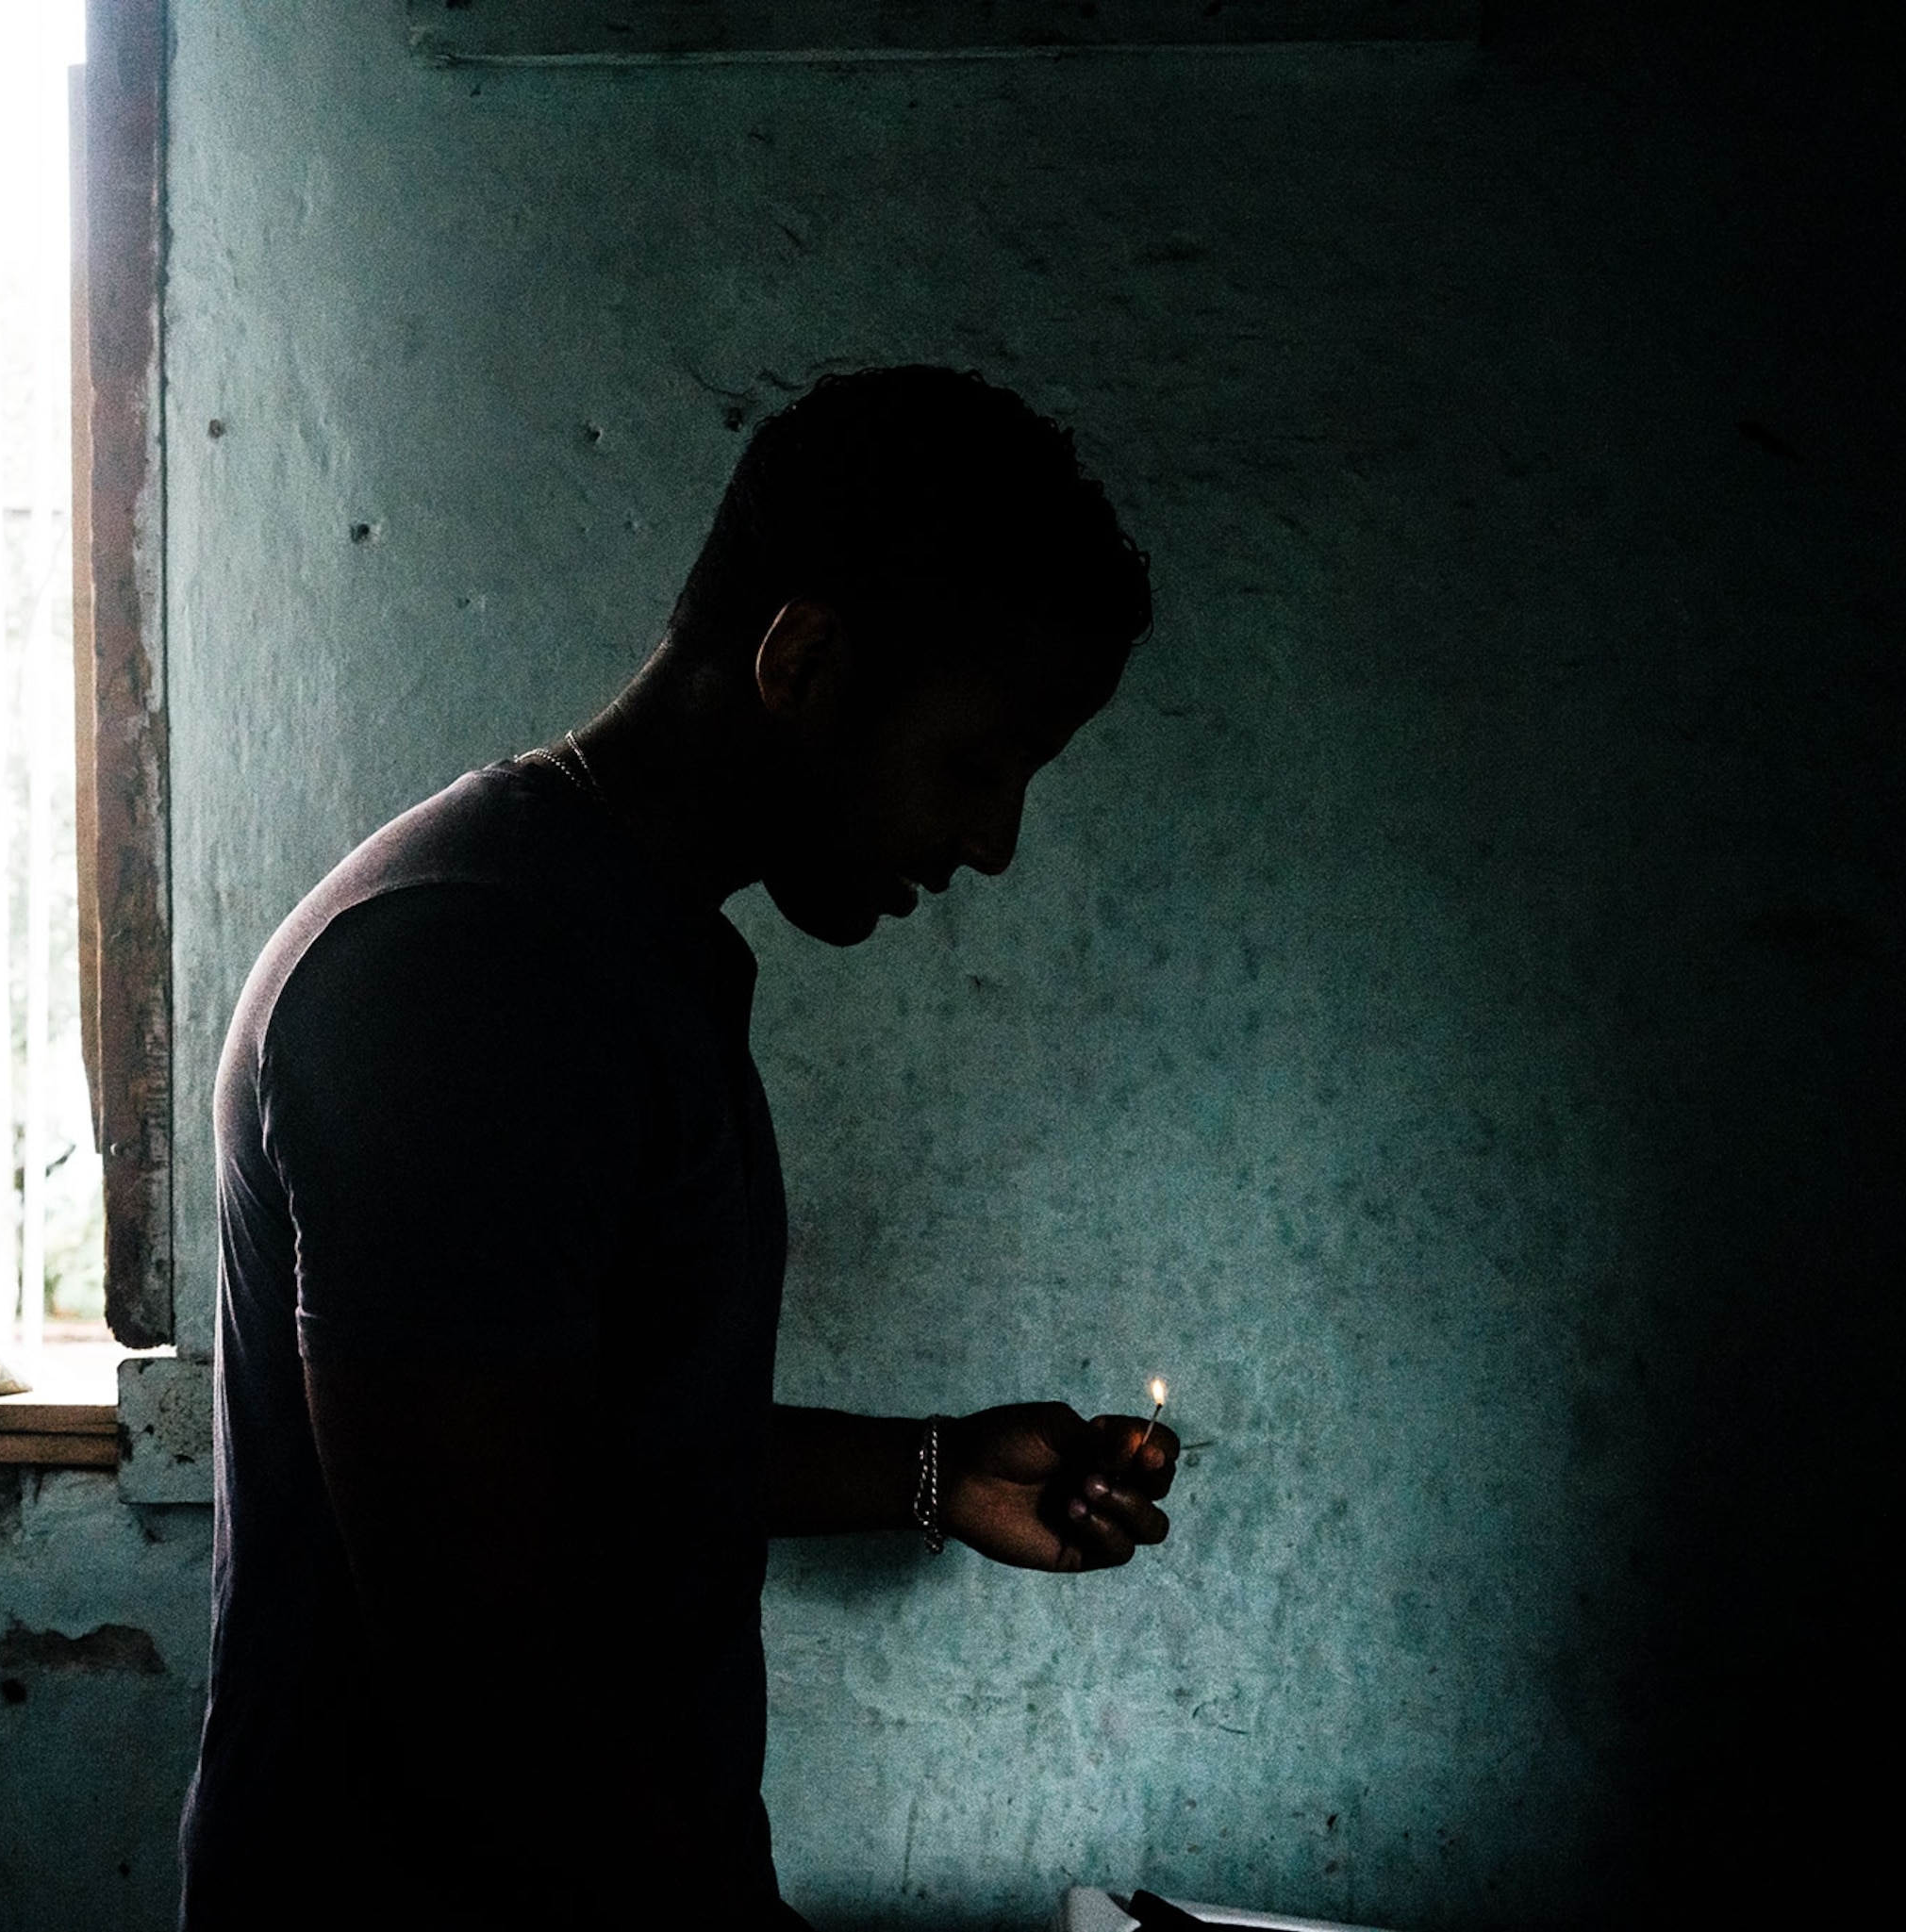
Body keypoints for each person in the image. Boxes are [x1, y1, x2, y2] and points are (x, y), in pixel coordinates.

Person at [179, 367, 1181, 1930]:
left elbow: (556, 1444)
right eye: (979, 761)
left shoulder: (601, 945)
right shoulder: (471, 974)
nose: (994, 840)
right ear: (805, 659)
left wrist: (926, 1470)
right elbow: (487, 1682)